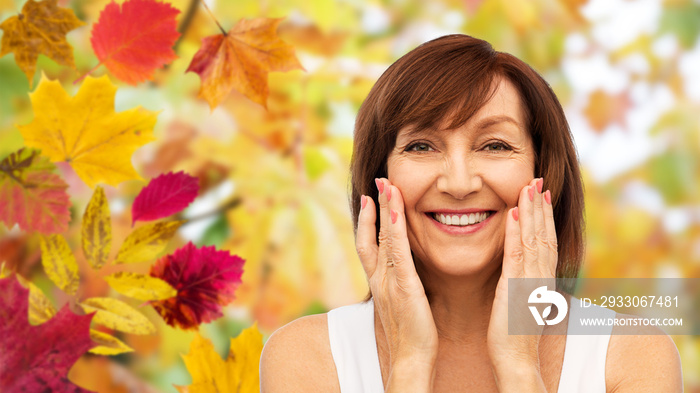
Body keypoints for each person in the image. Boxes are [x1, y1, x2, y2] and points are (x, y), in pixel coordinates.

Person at [259, 34, 682, 392]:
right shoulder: (307, 357)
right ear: (377, 178)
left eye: (494, 145)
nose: (459, 184)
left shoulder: (631, 355)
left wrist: (520, 366)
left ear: (543, 171)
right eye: (421, 146)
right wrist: (409, 364)